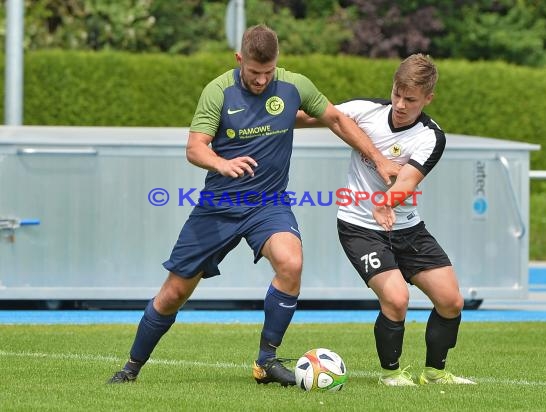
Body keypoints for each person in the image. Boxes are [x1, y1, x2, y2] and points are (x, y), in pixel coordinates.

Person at [107, 24, 399, 386]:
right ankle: (131, 367)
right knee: (173, 294)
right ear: (239, 59)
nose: (261, 80)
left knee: (291, 262)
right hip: (218, 205)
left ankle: (266, 361)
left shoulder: (295, 86)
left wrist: (378, 160)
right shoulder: (218, 91)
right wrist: (221, 163)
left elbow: (337, 119)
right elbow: (194, 147)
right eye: (254, 72)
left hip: (268, 204)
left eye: (268, 72)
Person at [298, 54, 476, 386]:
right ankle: (390, 374)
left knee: (451, 301)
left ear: (428, 98)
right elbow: (317, 116)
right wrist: (265, 121)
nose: (400, 103)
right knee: (396, 299)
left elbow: (408, 181)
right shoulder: (367, 111)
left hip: (407, 229)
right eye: (397, 93)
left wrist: (386, 201)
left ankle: (435, 373)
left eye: (410, 99)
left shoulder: (430, 137)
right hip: (359, 226)